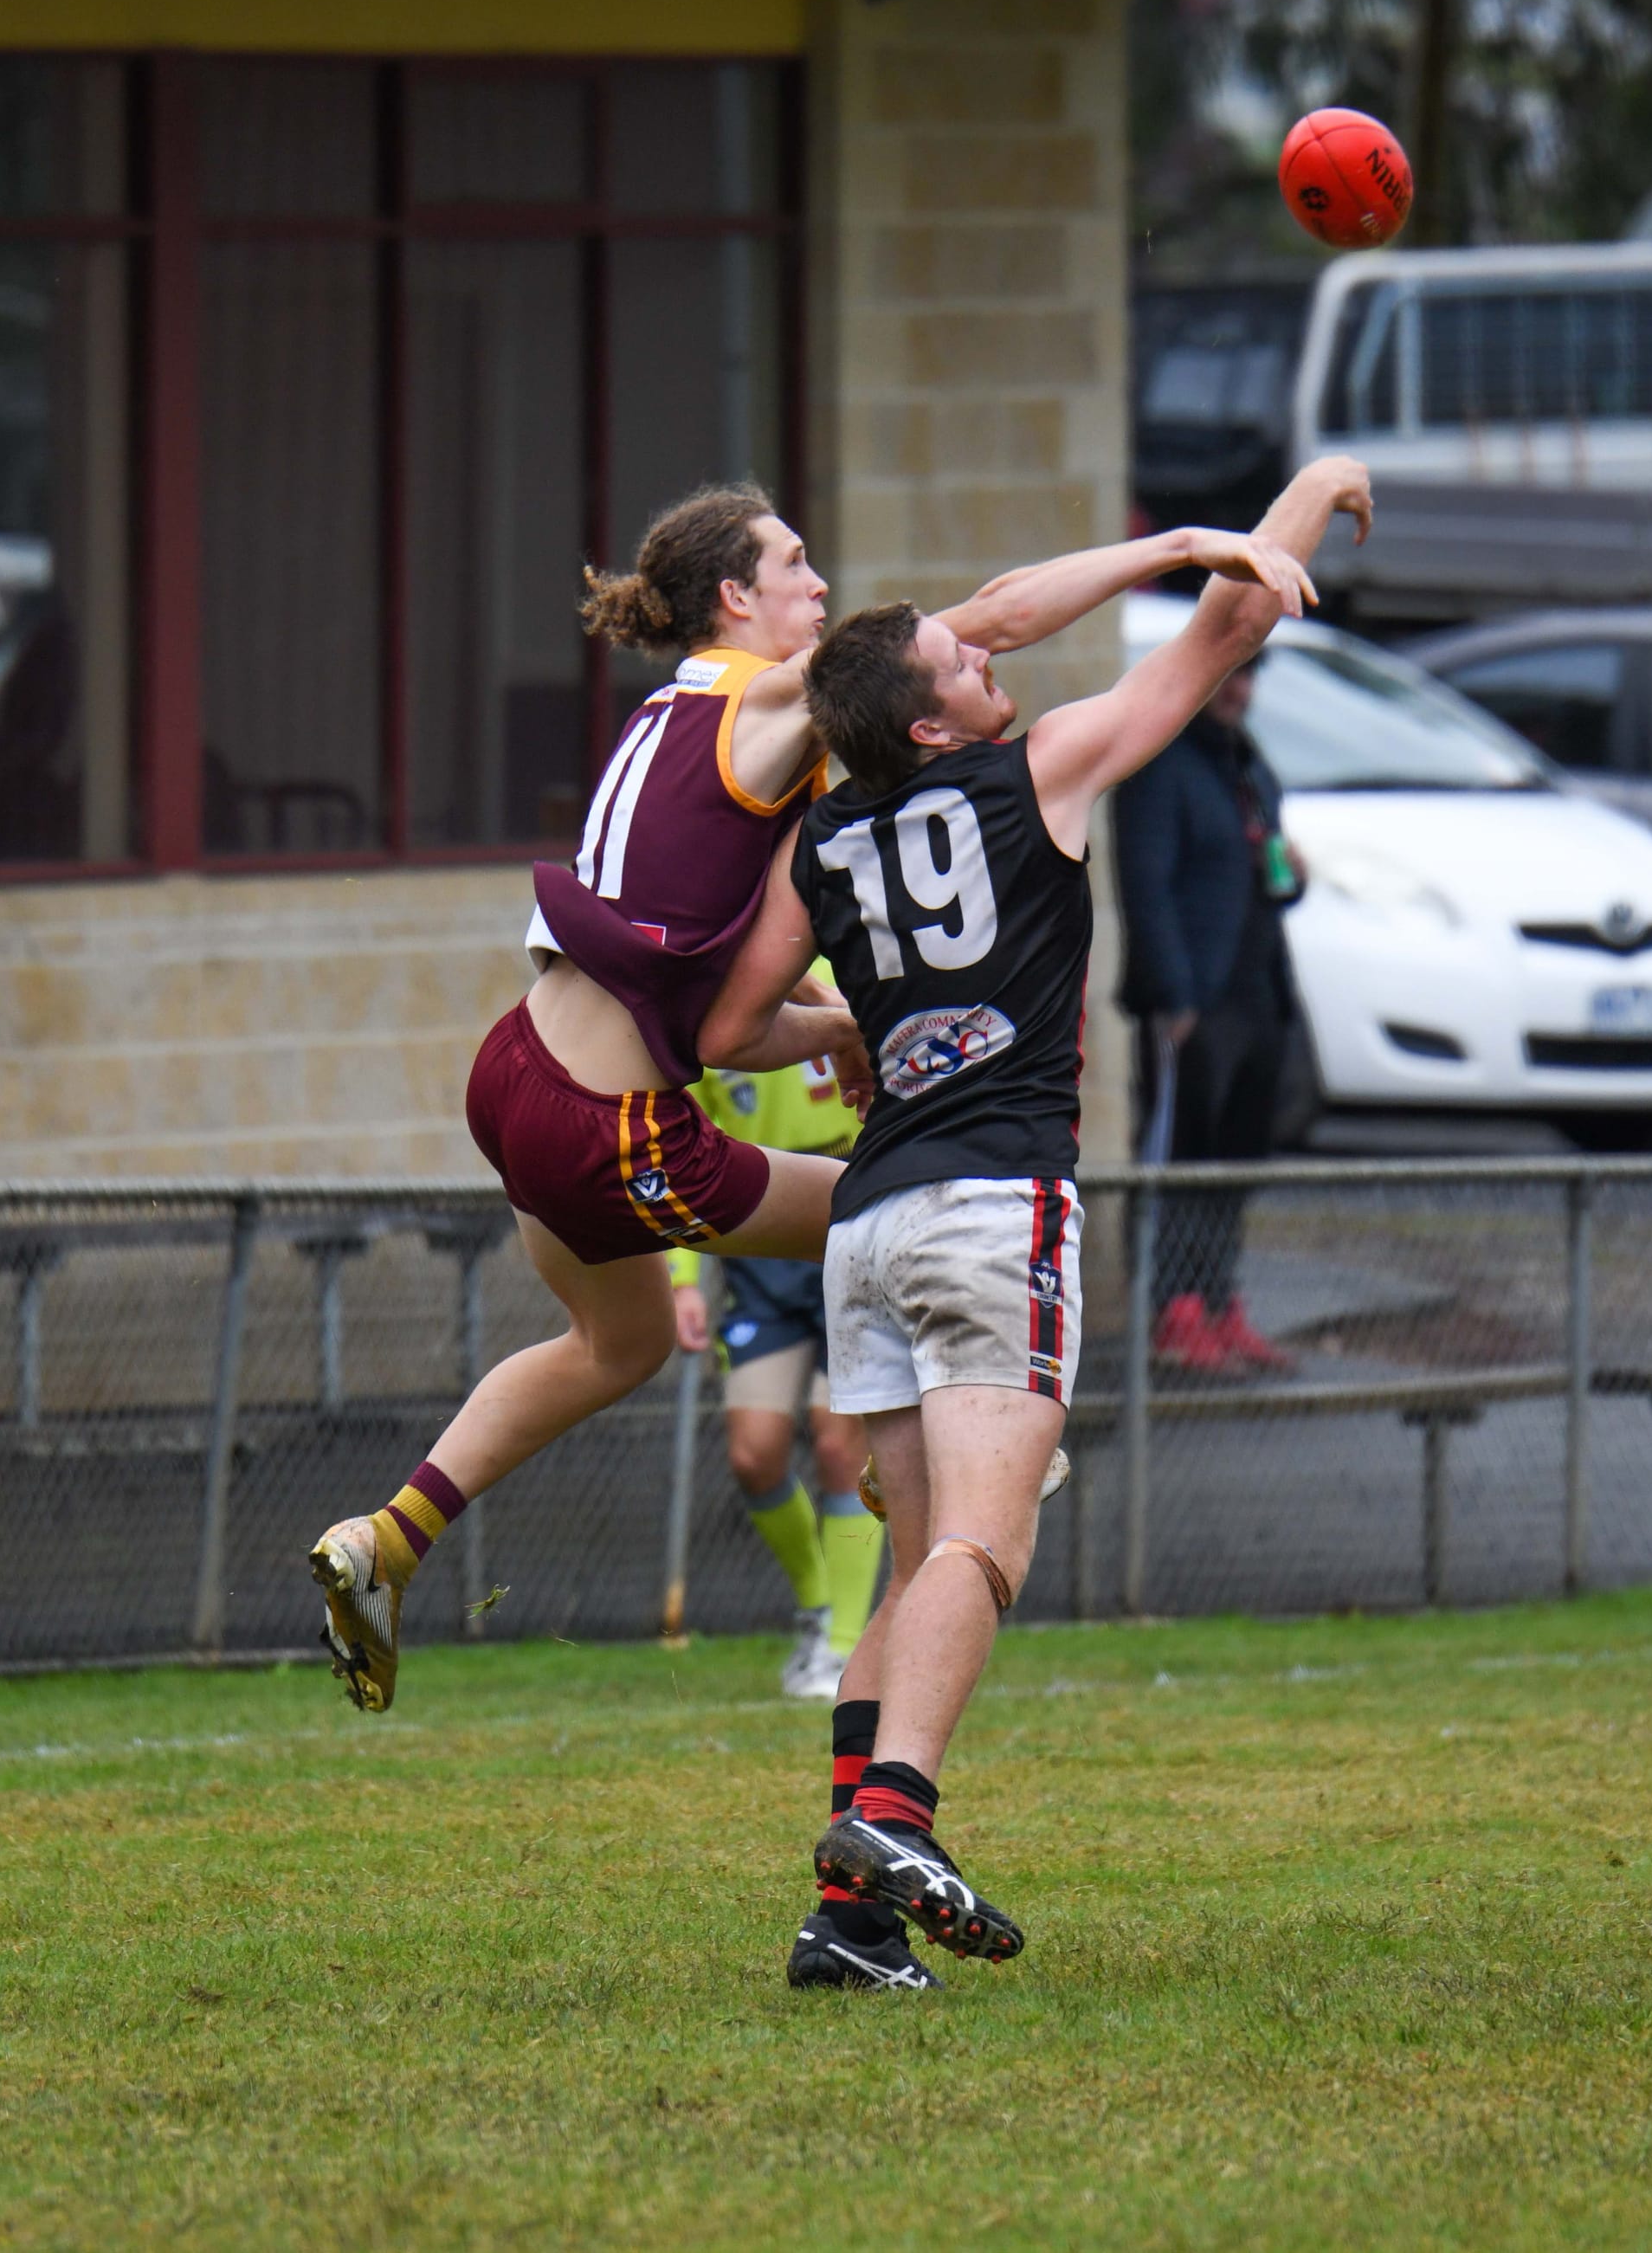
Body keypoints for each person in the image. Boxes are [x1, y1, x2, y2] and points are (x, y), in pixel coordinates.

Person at [308, 480, 1277, 1714]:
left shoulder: (668, 715)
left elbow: (721, 1020)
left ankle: (387, 1539)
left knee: (620, 1343)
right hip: (615, 1117)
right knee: (903, 1199)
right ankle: (945, 1445)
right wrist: (1181, 546)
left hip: (516, 1072)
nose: (819, 590)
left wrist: (833, 1025)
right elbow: (988, 622)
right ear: (736, 597)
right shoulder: (764, 692)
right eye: (795, 566)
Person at [700, 455, 1371, 1991]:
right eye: (960, 661)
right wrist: (1307, 493)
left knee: (922, 1554)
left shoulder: (824, 842)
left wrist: (852, 1034)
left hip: (867, 1222)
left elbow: (734, 1026)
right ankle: (900, 1819)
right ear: (932, 722)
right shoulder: (1038, 770)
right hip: (997, 1201)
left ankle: (849, 1922)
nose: (987, 652)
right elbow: (1223, 636)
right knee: (987, 1552)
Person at [666, 985, 882, 1703]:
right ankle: (820, 1607)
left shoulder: (839, 970)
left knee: (837, 1439)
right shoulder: (711, 1002)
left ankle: (847, 1647)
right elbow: (685, 1142)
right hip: (761, 1233)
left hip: (850, 1217)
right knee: (754, 1452)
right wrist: (684, 1277)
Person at [1113, 654, 1304, 1373]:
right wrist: (1172, 995)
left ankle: (1221, 1299)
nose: (1240, 692)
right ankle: (1174, 1307)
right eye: (1229, 676)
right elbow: (1147, 887)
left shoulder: (1250, 767)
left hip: (1258, 991)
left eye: (1251, 677)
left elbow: (1270, 869)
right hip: (1195, 1001)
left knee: (1237, 1156)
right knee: (1180, 1154)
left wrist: (1292, 876)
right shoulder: (1162, 766)